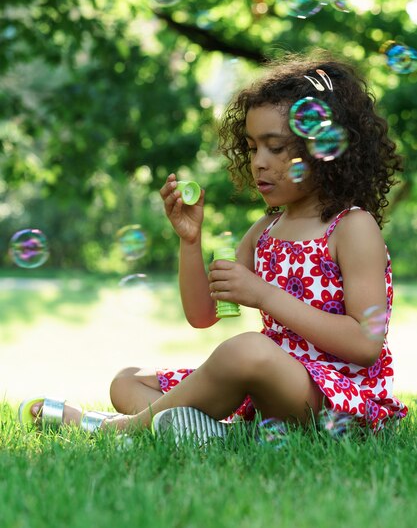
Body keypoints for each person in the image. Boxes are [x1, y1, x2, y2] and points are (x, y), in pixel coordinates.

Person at [20, 52, 408, 438]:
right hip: (268, 390)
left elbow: (365, 343)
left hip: (339, 403)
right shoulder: (266, 229)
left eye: (275, 147)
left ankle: (116, 428)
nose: (258, 162)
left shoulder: (352, 227)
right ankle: (212, 432)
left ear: (323, 149)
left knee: (247, 349)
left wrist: (265, 296)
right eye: (253, 147)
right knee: (127, 382)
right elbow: (203, 314)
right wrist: (190, 241)